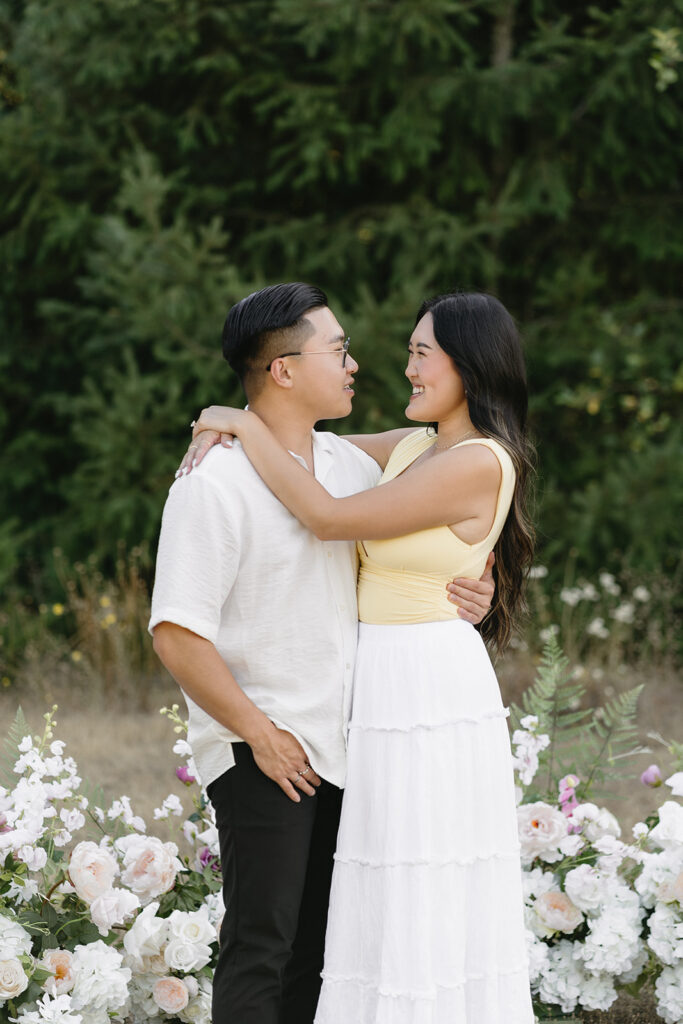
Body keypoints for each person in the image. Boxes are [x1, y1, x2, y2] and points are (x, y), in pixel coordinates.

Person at [186, 290, 536, 1024]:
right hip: (373, 688)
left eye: (420, 353)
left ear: (467, 367)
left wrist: (241, 424)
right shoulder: (414, 447)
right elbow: (317, 456)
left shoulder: (475, 459)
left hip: (427, 685)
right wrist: (239, 427)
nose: (403, 368)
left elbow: (327, 515)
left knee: (424, 872)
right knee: (374, 884)